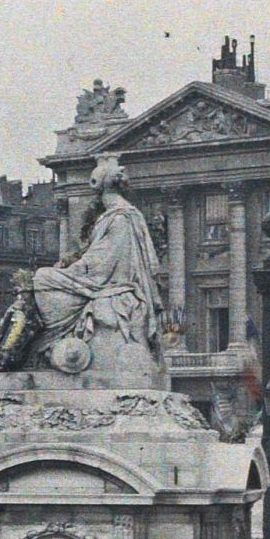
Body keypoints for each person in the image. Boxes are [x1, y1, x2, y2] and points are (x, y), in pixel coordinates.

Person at [26, 154, 166, 386]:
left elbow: (103, 262)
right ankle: (53, 342)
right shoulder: (118, 215)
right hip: (102, 278)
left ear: (98, 186)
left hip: (106, 282)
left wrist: (73, 270)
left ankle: (52, 341)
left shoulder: (120, 217)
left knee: (42, 278)